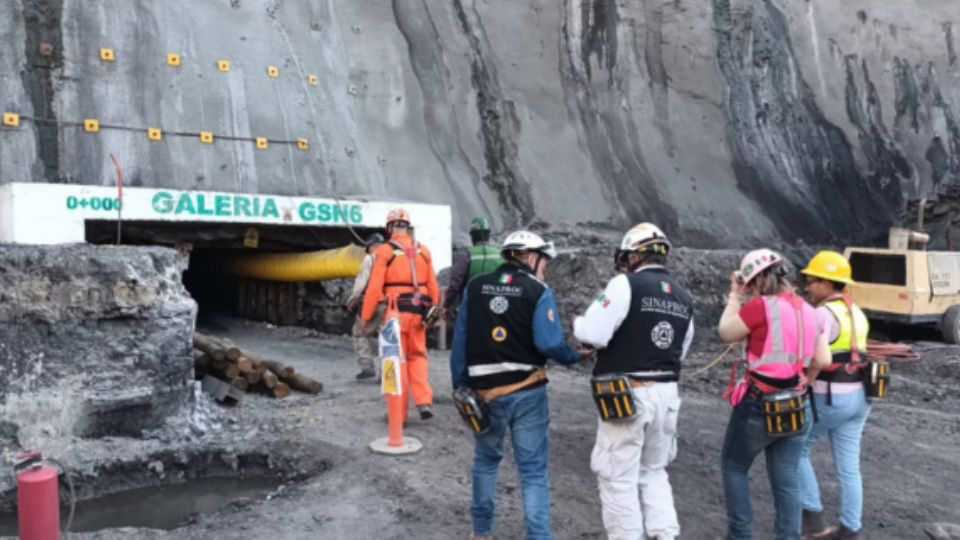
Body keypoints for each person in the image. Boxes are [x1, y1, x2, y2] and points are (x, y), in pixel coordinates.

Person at [450, 230, 586, 540]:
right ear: (529, 256)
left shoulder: (475, 288)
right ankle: (538, 536)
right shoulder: (538, 291)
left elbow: (461, 343)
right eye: (543, 261)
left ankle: (481, 533)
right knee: (533, 471)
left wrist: (461, 386)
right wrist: (575, 355)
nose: (545, 268)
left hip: (484, 394)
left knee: (485, 461)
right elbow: (548, 343)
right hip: (528, 394)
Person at [573, 223, 694, 540]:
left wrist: (578, 324)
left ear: (634, 255)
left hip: (627, 393)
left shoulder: (625, 284)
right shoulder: (684, 297)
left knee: (617, 476)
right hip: (667, 394)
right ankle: (664, 535)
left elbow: (593, 333)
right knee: (653, 471)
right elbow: (680, 349)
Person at [717, 249, 832, 540]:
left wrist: (735, 295)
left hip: (759, 402)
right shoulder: (810, 311)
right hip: (797, 403)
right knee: (787, 480)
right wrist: (805, 384)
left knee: (734, 467)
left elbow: (726, 332)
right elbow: (823, 360)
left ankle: (741, 536)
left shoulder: (759, 307)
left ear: (753, 282)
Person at [798, 251, 871, 540]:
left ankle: (815, 524)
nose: (807, 287)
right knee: (849, 467)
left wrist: (803, 382)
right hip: (860, 398)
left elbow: (813, 357)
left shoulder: (821, 314)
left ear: (828, 283)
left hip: (831, 397)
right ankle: (850, 529)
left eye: (811, 281)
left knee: (797, 450)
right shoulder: (858, 312)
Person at [361, 208, 440, 419]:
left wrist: (365, 317)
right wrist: (433, 312)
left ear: (390, 228)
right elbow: (433, 288)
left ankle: (399, 415)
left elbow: (374, 287)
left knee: (395, 362)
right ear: (408, 227)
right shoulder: (423, 250)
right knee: (418, 356)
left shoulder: (384, 251)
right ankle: (423, 401)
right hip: (419, 313)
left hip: (395, 313)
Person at [346, 233, 385, 380]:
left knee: (359, 332)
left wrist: (353, 298)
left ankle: (367, 368)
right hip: (389, 303)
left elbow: (362, 281)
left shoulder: (370, 259)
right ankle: (384, 373)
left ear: (372, 247)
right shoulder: (392, 259)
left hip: (372, 302)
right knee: (385, 338)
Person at [443, 217, 504, 312]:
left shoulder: (466, 255)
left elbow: (455, 284)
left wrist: (446, 305)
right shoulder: (500, 254)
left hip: (472, 305)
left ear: (472, 236)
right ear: (489, 234)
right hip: (495, 306)